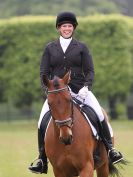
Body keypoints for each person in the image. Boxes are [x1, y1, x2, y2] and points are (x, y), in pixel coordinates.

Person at [29, 11, 123, 174]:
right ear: (59, 28)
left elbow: (90, 70)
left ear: (73, 28)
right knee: (41, 122)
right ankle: (42, 158)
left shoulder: (81, 47)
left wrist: (86, 87)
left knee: (99, 115)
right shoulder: (50, 48)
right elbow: (43, 72)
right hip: (57, 93)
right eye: (64, 26)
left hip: (80, 90)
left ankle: (110, 150)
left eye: (70, 26)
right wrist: (48, 91)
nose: (67, 28)